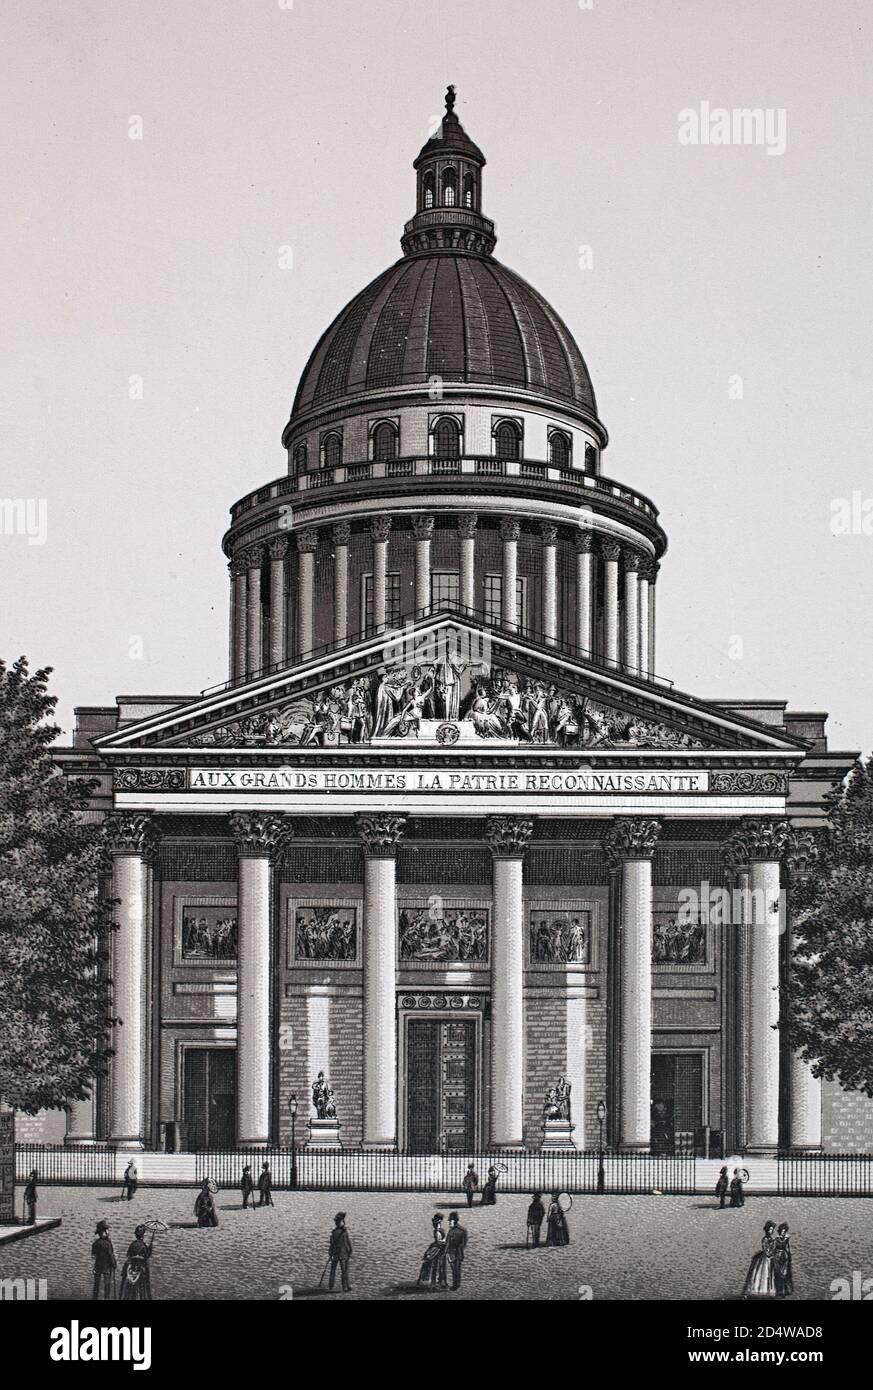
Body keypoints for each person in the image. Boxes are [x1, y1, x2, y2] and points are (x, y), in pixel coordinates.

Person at [742, 1221, 778, 1300]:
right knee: (762, 1274)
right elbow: (766, 1251)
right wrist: (770, 1254)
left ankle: (768, 1291)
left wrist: (773, 1251)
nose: (771, 1231)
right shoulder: (764, 1239)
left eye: (772, 1230)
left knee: (770, 1275)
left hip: (770, 1259)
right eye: (770, 1230)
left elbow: (773, 1249)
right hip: (765, 1259)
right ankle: (759, 1291)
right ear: (766, 1230)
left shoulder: (772, 1239)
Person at [119, 1225, 153, 1301]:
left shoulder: (132, 1244)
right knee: (142, 1290)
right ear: (143, 1236)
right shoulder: (143, 1245)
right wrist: (150, 1247)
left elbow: (128, 1255)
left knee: (129, 1290)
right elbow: (147, 1256)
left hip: (131, 1269)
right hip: (140, 1271)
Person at [418, 1213, 448, 1288]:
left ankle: (436, 1282)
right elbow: (438, 1241)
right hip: (439, 1249)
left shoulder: (439, 1230)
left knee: (438, 1265)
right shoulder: (437, 1230)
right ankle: (435, 1282)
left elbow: (439, 1240)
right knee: (437, 1265)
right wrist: (446, 1241)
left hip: (440, 1249)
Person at [91, 1220, 116, 1300]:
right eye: (107, 1230)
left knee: (96, 1286)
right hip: (106, 1268)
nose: (108, 1232)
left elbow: (93, 1255)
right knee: (107, 1286)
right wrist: (114, 1264)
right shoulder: (108, 1244)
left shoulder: (95, 1243)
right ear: (104, 1232)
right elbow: (110, 1255)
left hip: (97, 1266)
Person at [328, 1212, 352, 1292]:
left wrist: (330, 1252)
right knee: (344, 1270)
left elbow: (331, 1244)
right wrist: (350, 1250)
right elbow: (348, 1243)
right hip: (343, 1254)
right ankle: (345, 1286)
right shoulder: (343, 1232)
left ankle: (331, 1285)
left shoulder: (334, 1232)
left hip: (336, 1253)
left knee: (334, 1270)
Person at [445, 1212, 468, 1291]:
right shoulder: (462, 1230)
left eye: (450, 1221)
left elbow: (462, 1244)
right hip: (454, 1253)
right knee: (455, 1269)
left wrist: (447, 1252)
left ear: (454, 1221)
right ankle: (456, 1284)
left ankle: (456, 1285)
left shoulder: (455, 1231)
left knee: (456, 1270)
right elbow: (463, 1244)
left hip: (455, 1253)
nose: (449, 1222)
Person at [774, 1223, 793, 1298]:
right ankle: (778, 1291)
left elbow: (787, 1248)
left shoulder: (786, 1239)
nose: (783, 1233)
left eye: (784, 1231)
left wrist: (789, 1256)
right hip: (777, 1258)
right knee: (778, 1274)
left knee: (784, 1274)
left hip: (784, 1258)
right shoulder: (776, 1239)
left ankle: (784, 1291)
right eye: (782, 1231)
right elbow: (774, 1248)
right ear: (780, 1231)